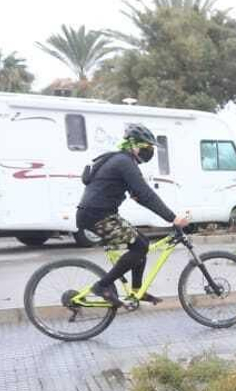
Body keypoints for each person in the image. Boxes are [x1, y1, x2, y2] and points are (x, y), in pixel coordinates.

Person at [75, 124, 189, 306]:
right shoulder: (124, 162)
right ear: (134, 145)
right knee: (139, 247)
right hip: (96, 216)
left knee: (141, 242)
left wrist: (152, 206)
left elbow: (140, 196)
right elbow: (146, 193)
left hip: (100, 214)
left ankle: (137, 291)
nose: (150, 151)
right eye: (147, 147)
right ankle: (102, 286)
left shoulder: (122, 160)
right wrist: (172, 218)